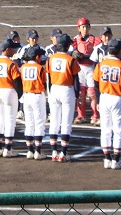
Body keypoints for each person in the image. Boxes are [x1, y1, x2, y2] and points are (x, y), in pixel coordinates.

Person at [94, 38, 121, 169]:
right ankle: (116, 160)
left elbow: (96, 84)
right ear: (120, 51)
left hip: (104, 98)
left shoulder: (100, 65)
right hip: (118, 99)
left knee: (105, 129)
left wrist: (98, 100)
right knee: (118, 130)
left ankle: (107, 159)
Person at [47, 33, 80, 162]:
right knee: (66, 122)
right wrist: (77, 95)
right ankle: (63, 153)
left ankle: (54, 152)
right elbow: (76, 80)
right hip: (67, 90)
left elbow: (48, 77)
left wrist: (50, 92)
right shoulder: (71, 60)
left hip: (54, 89)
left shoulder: (50, 59)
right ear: (67, 46)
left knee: (54, 122)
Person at [0, 39, 22, 157]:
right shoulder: (11, 64)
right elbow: (17, 82)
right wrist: (19, 95)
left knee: (0, 119)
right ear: (7, 49)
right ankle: (8, 149)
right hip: (9, 91)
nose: (14, 50)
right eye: (13, 48)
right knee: (10, 120)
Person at [20, 45, 47, 160]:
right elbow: (44, 83)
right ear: (36, 57)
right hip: (37, 96)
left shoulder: (23, 67)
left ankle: (30, 151)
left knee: (29, 123)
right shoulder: (40, 68)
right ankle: (38, 152)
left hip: (26, 96)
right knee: (39, 123)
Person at [71, 18, 100, 125]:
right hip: (80, 69)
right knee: (81, 93)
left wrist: (84, 56)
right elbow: (71, 53)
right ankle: (81, 115)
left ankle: (95, 115)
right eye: (83, 27)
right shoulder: (75, 40)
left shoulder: (94, 40)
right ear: (79, 28)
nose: (85, 29)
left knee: (92, 93)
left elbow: (97, 54)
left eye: (87, 27)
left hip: (91, 68)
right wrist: (74, 54)